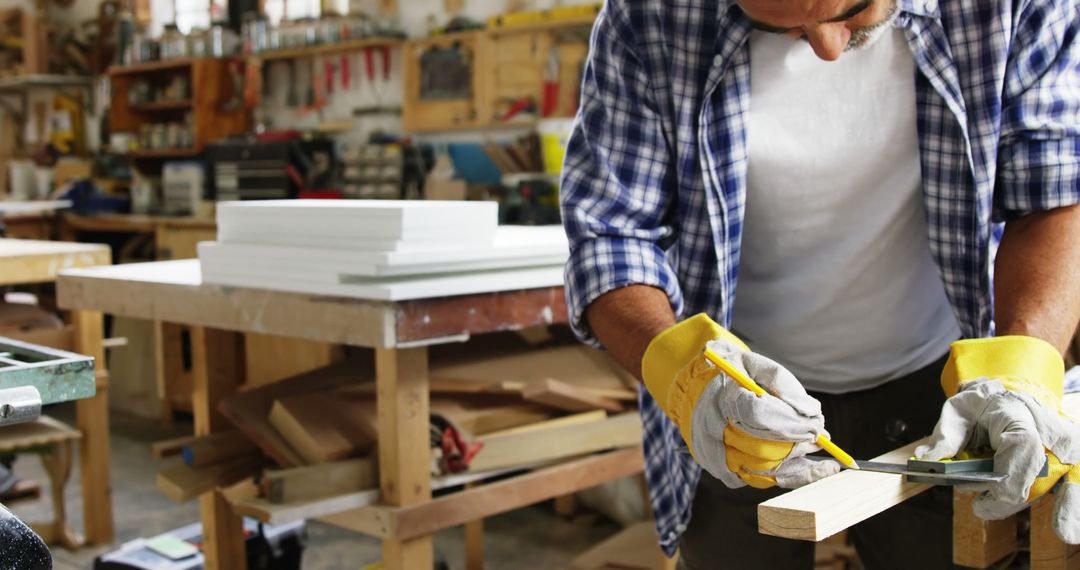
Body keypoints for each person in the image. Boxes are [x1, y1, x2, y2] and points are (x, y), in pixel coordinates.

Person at [559, 0, 1080, 568]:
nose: (826, 48)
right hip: (734, 403)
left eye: (854, 9)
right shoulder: (650, 15)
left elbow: (1053, 198)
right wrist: (687, 375)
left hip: (943, 393)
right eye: (775, 24)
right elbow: (610, 235)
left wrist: (1024, 372)